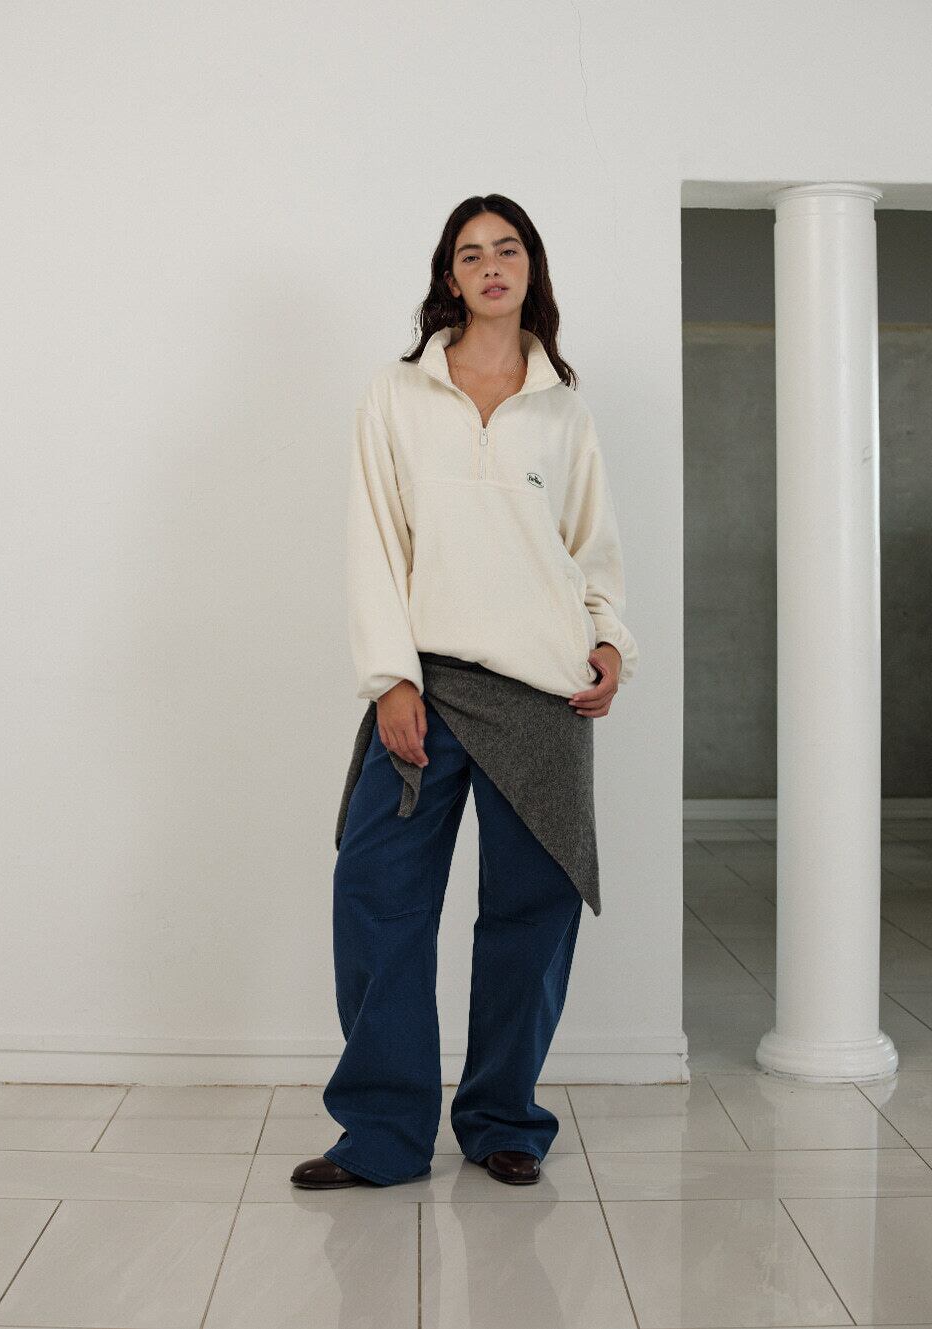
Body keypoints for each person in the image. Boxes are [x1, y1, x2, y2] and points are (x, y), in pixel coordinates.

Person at [292, 194, 639, 1190]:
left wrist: (609, 642)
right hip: (428, 687)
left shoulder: (563, 410)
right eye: (471, 252)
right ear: (449, 276)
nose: (491, 265)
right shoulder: (398, 394)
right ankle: (382, 1134)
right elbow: (374, 539)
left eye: (508, 249)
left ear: (530, 269)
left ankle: (502, 1120)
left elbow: (592, 550)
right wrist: (391, 678)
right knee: (377, 898)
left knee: (531, 914)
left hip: (544, 694)